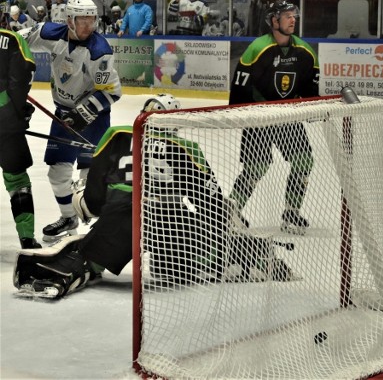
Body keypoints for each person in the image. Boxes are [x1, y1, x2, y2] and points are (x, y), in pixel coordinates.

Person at [12, 94, 294, 298]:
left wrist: (91, 206)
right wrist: (226, 228)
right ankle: (251, 255)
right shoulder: (186, 146)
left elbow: (95, 195)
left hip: (122, 215)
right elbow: (210, 203)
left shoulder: (117, 134)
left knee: (92, 258)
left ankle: (66, 267)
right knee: (190, 262)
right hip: (168, 220)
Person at [19, 0, 122, 242]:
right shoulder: (50, 32)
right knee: (57, 173)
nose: (88, 26)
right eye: (82, 20)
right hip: (64, 112)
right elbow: (17, 40)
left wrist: (83, 113)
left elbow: (112, 92)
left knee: (89, 177)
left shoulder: (100, 52)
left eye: (92, 20)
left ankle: (97, 231)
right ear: (69, 20)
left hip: (94, 117)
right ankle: (69, 218)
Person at [228, 0, 319, 235]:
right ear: (274, 21)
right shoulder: (258, 48)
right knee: (256, 167)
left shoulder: (306, 52)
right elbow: (240, 86)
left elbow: (310, 90)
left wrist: (314, 109)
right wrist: (239, 112)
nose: (293, 20)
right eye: (287, 16)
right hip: (258, 117)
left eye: (294, 16)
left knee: (304, 161)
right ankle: (229, 214)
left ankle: (291, 213)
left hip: (287, 117)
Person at [0, 28, 39, 249]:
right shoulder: (11, 39)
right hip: (5, 122)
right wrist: (18, 111)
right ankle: (26, 238)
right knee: (17, 181)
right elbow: (24, 74)